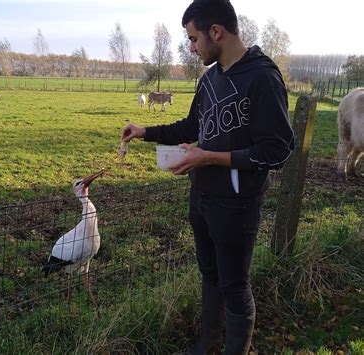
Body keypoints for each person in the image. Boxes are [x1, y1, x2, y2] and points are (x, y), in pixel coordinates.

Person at [121, 0, 294, 354]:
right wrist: (144, 131)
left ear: (217, 32)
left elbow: (277, 150)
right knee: (210, 275)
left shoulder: (262, 76)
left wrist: (208, 156)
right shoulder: (209, 77)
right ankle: (206, 345)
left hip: (237, 204)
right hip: (201, 197)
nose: (191, 47)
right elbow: (191, 126)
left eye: (192, 38)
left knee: (234, 284)